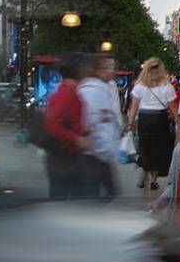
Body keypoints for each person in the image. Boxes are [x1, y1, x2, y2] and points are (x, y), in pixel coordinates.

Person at [42, 52, 90, 199]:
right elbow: (52, 124)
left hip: (69, 156)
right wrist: (75, 138)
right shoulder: (65, 94)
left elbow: (68, 120)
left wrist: (82, 130)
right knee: (63, 203)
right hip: (63, 157)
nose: (89, 71)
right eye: (86, 67)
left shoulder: (71, 92)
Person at [77, 53, 122, 200]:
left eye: (113, 67)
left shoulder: (106, 88)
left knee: (109, 193)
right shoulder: (91, 91)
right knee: (95, 196)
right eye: (107, 67)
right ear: (97, 70)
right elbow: (93, 122)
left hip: (101, 154)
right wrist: (104, 149)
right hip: (93, 154)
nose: (112, 70)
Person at [126, 58, 176, 191]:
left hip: (144, 119)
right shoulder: (167, 86)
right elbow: (173, 108)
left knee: (145, 146)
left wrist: (130, 123)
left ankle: (145, 169)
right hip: (160, 119)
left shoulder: (139, 86)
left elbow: (134, 106)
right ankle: (153, 180)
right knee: (159, 149)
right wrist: (177, 121)